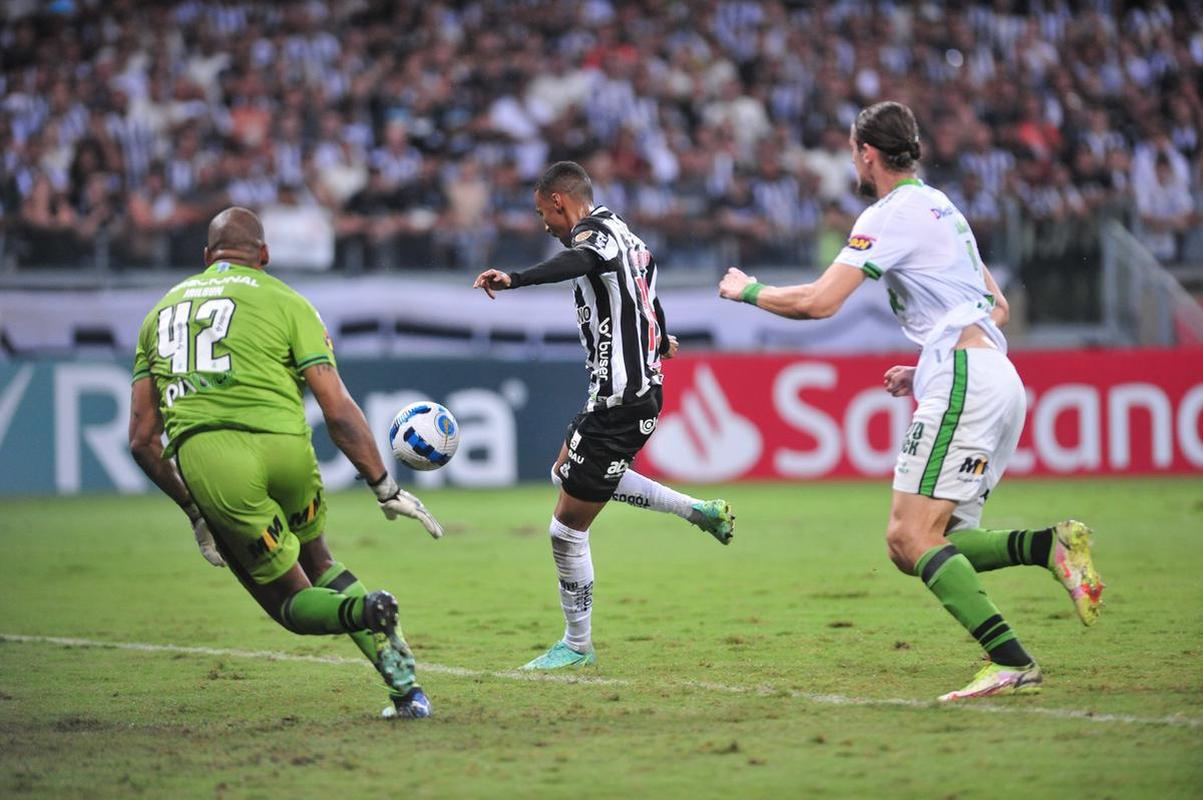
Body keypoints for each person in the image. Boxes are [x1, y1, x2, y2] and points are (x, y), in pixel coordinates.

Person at [717, 102, 1105, 701]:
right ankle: (1049, 545)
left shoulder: (890, 214)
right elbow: (993, 308)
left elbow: (819, 303)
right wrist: (924, 364)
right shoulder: (944, 209)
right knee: (930, 538)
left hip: (964, 380)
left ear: (866, 153)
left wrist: (749, 291)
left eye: (853, 151)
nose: (853, 160)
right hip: (993, 374)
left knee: (908, 537)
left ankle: (1011, 659)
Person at [128, 207, 442, 719]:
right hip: (289, 450)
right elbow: (336, 408)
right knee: (319, 561)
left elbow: (143, 439)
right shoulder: (290, 301)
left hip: (217, 462)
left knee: (290, 603)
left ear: (206, 258)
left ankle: (367, 609)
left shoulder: (158, 314)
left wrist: (195, 510)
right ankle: (407, 689)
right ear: (266, 256)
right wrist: (383, 485)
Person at [472, 161, 735, 670]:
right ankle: (698, 511)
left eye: (541, 213)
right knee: (564, 468)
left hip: (622, 399)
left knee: (566, 530)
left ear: (557, 202)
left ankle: (576, 644)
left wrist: (515, 279)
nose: (543, 224)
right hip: (619, 394)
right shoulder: (631, 239)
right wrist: (658, 334)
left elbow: (579, 262)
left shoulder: (592, 233)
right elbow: (648, 294)